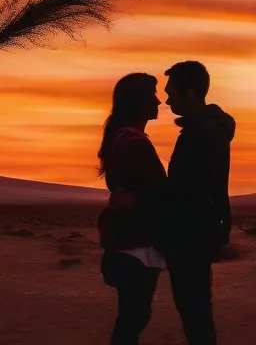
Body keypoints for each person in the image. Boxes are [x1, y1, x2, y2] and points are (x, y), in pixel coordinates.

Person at [162, 60, 236, 345]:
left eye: (172, 92)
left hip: (192, 236)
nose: (167, 99)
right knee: (195, 311)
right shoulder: (203, 130)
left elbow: (195, 187)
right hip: (196, 233)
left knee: (195, 313)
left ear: (190, 92)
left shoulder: (204, 133)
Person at [96, 73, 167, 345]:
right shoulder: (134, 143)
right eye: (152, 95)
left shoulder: (123, 138)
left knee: (131, 316)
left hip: (126, 240)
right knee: (134, 318)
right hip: (135, 243)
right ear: (138, 101)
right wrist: (141, 199)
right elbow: (159, 191)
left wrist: (138, 197)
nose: (159, 101)